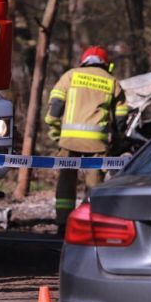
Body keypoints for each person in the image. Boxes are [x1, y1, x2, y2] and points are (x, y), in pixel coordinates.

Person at [44, 46, 129, 233]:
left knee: (66, 182)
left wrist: (56, 131)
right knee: (94, 185)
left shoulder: (70, 75)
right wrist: (118, 137)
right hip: (96, 143)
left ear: (83, 61)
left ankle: (63, 224)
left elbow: (55, 108)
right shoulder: (111, 81)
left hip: (69, 141)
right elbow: (122, 115)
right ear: (107, 64)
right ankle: (90, 225)